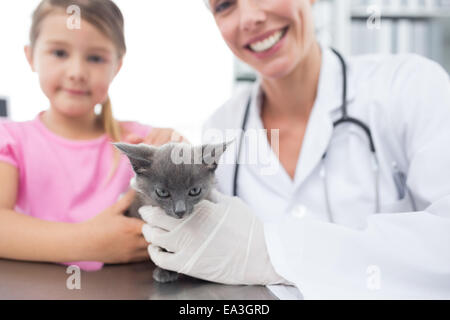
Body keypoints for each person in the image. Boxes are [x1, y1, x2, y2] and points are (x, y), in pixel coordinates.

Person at [140, 0, 450, 299]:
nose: (250, 17)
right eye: (225, 5)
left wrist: (272, 251)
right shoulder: (222, 126)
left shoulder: (411, 86)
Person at [0, 0, 183, 271]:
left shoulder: (141, 143)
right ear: (30, 57)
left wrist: (180, 152)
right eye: (60, 53)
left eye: (96, 58)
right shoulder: (10, 139)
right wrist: (92, 243)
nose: (77, 73)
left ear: (117, 66)